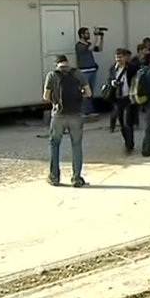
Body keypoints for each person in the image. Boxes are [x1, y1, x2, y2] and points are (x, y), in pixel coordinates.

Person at [43, 55, 91, 187]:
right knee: (76, 145)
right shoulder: (77, 74)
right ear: (67, 62)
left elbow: (45, 97)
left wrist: (56, 100)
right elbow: (88, 93)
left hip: (58, 115)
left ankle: (54, 177)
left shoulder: (52, 75)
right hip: (75, 114)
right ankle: (76, 178)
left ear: (56, 63)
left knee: (55, 145)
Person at [107, 48, 138, 153]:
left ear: (125, 57)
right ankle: (127, 141)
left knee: (127, 122)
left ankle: (129, 144)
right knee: (121, 123)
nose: (118, 59)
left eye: (120, 57)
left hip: (128, 97)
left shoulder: (132, 68)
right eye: (117, 57)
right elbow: (109, 79)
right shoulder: (113, 68)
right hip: (117, 98)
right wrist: (112, 83)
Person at [75, 27, 103, 116]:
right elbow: (90, 48)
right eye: (87, 33)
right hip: (84, 71)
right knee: (85, 91)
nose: (89, 35)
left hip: (92, 69)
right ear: (82, 35)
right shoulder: (79, 45)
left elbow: (99, 49)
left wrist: (101, 37)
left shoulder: (88, 44)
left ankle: (90, 110)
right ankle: (84, 110)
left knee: (91, 91)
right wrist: (96, 36)